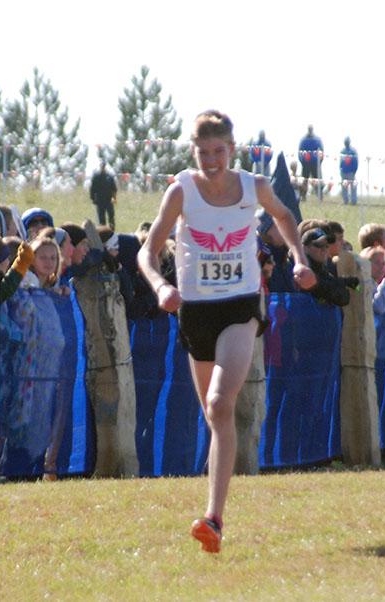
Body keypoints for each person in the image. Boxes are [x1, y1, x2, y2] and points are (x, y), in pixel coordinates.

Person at [138, 110, 316, 554]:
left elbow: (285, 218)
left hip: (240, 306)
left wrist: (299, 258)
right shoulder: (181, 192)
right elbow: (148, 250)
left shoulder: (253, 186)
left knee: (221, 403)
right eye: (203, 152)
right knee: (212, 416)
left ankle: (213, 518)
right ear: (193, 152)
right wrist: (161, 285)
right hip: (195, 310)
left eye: (219, 151)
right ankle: (215, 515)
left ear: (231, 150)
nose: (212, 160)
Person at [297, 125, 324, 201]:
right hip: (305, 164)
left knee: (317, 181)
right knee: (304, 181)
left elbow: (321, 152)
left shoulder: (317, 140)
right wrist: (302, 161)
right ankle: (303, 196)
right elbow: (300, 152)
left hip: (315, 164)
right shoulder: (303, 140)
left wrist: (319, 163)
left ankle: (320, 197)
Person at [89, 160, 118, 228]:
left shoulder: (109, 177)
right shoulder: (96, 177)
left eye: (104, 166)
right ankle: (103, 232)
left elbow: (114, 189)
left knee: (111, 216)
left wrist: (114, 198)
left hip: (108, 200)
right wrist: (93, 198)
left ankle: (112, 230)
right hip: (100, 200)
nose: (103, 167)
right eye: (102, 166)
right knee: (101, 218)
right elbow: (92, 188)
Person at [339, 137, 359, 205]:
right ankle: (346, 201)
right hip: (344, 172)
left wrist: (354, 171)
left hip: (351, 172)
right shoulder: (342, 151)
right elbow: (341, 162)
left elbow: (356, 162)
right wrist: (341, 169)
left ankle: (353, 201)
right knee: (344, 187)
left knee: (353, 186)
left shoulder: (353, 151)